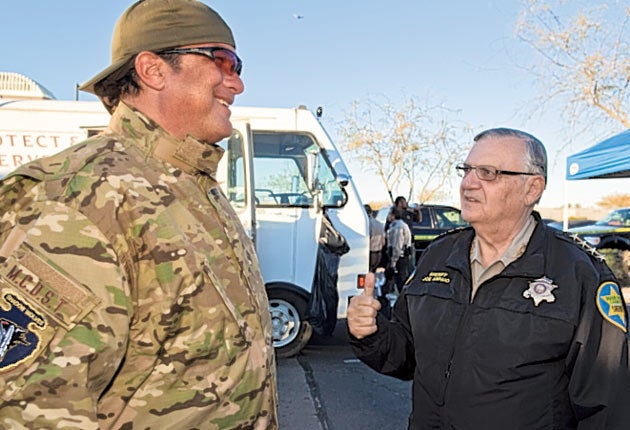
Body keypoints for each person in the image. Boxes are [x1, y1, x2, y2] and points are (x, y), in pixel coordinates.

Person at [0, 1, 277, 428]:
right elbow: (30, 411)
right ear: (153, 70)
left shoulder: (197, 187)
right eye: (223, 61)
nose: (236, 83)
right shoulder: (82, 196)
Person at [347, 128, 629, 429]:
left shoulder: (579, 274)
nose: (468, 183)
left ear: (532, 188)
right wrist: (370, 333)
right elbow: (406, 355)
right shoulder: (438, 256)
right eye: (466, 170)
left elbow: (609, 406)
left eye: (489, 173)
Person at [386, 207, 413, 294]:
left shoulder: (399, 227)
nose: (388, 216)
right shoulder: (394, 225)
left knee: (400, 281)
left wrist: (393, 261)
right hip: (398, 256)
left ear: (393, 215)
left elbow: (398, 245)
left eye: (389, 214)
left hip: (400, 257)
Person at [365, 204, 386, 272]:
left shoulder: (367, 224)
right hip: (378, 254)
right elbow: (383, 242)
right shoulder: (380, 224)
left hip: (369, 254)